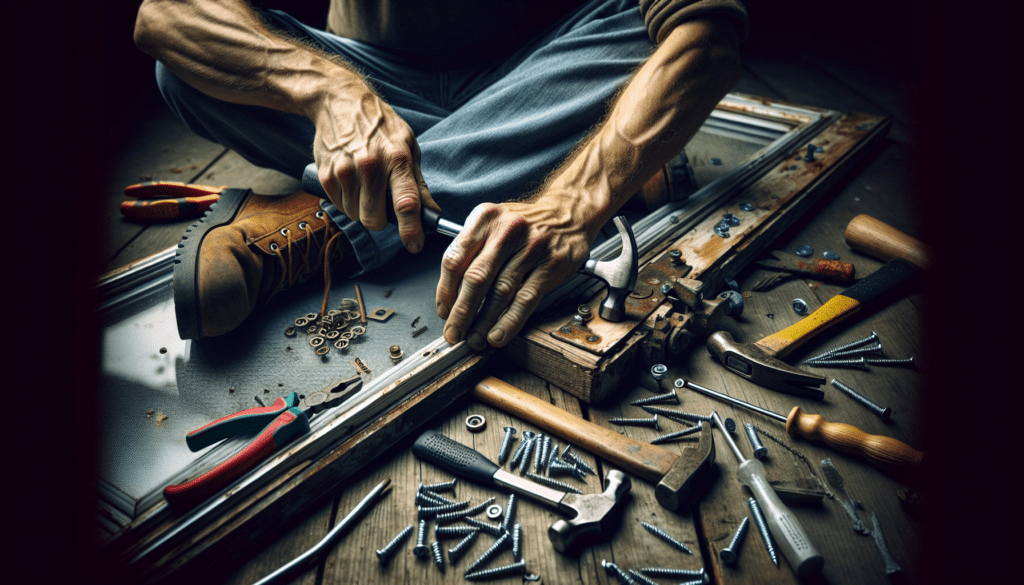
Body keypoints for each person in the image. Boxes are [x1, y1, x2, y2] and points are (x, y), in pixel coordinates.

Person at [134, 0, 747, 350]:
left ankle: (328, 224)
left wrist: (573, 201)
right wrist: (329, 91)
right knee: (186, 65)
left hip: (545, 64)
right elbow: (164, 13)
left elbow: (708, 36)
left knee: (641, 35)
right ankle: (550, 150)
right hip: (380, 79)